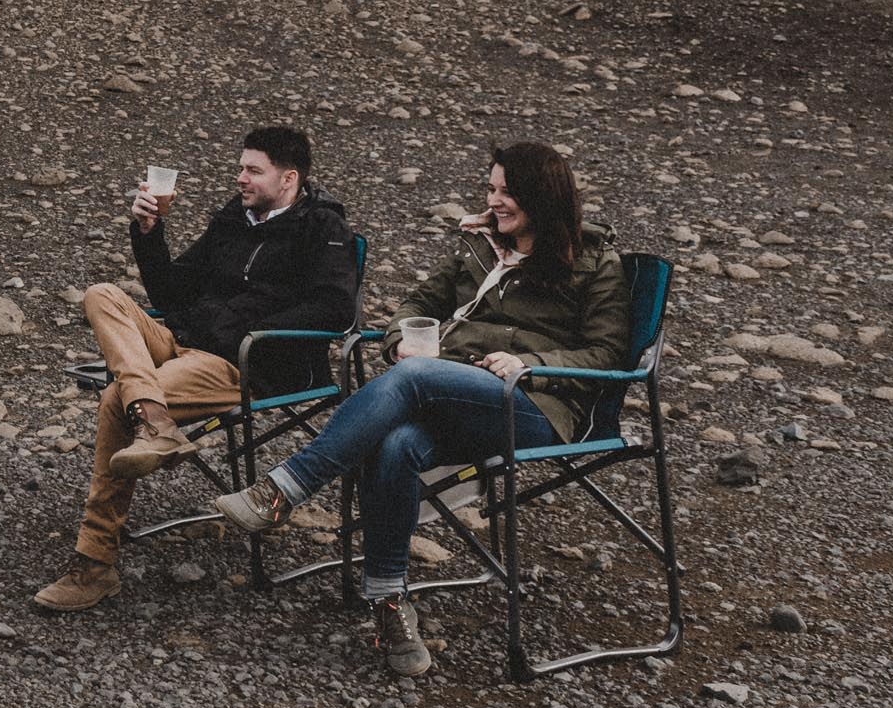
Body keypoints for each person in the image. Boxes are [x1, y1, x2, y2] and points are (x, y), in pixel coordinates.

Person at [213, 141, 629, 676]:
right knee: (396, 443)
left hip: (536, 407)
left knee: (412, 379)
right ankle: (390, 604)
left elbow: (608, 353)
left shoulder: (594, 262)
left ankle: (285, 489)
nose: (493, 200)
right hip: (453, 391)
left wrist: (531, 362)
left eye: (507, 192)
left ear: (541, 198)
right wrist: (397, 341)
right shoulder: (481, 248)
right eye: (491, 188)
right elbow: (415, 305)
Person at [33, 125, 357, 612]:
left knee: (114, 400)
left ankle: (95, 565)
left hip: (238, 362)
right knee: (103, 294)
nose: (240, 178)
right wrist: (149, 232)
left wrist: (251, 330)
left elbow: (336, 309)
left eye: (253, 170)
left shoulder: (322, 229)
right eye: (241, 167)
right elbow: (170, 293)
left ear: (288, 178)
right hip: (181, 341)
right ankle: (156, 420)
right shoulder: (234, 220)